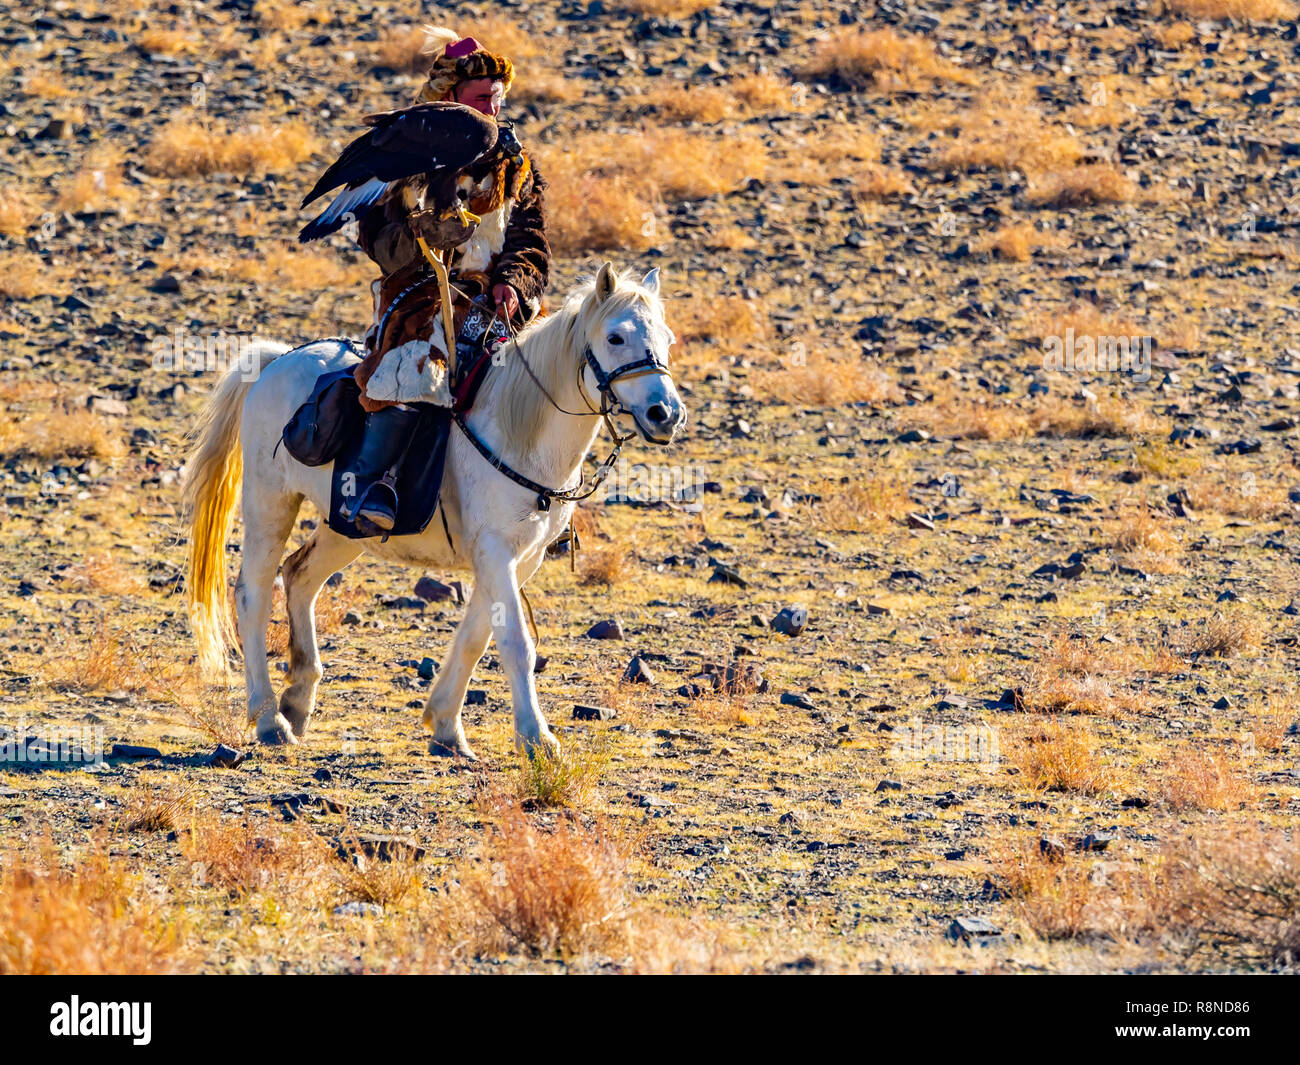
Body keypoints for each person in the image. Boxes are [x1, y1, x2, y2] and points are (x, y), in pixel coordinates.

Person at [341, 27, 551, 534]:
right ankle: (377, 484)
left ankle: (545, 493)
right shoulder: (406, 155)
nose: (492, 113)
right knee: (421, 370)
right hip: (423, 296)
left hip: (497, 301)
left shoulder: (515, 164)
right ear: (450, 98)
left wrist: (515, 283)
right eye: (481, 100)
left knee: (559, 365)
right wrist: (423, 240)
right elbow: (375, 239)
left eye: (497, 101)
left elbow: (531, 240)